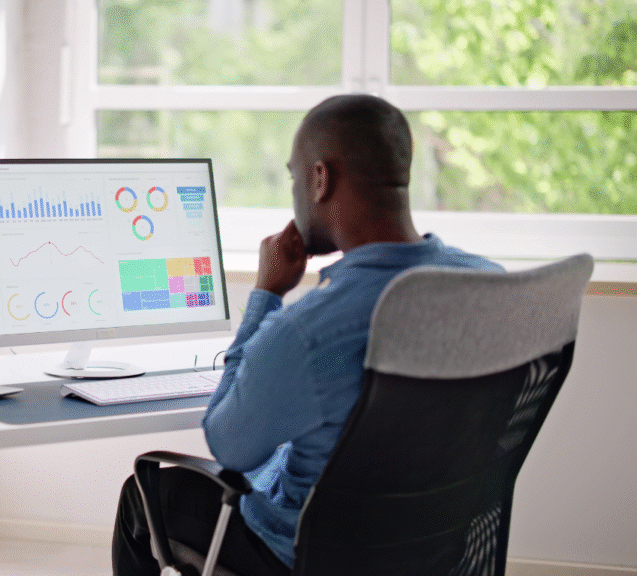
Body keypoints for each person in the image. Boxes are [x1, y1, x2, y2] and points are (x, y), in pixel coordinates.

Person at [111, 94, 504, 575]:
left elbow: (228, 444)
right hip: (439, 552)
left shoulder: (308, 330)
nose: (295, 193)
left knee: (143, 496)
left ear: (321, 179)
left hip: (312, 556)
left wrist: (266, 295)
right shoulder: (489, 283)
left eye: (295, 177)